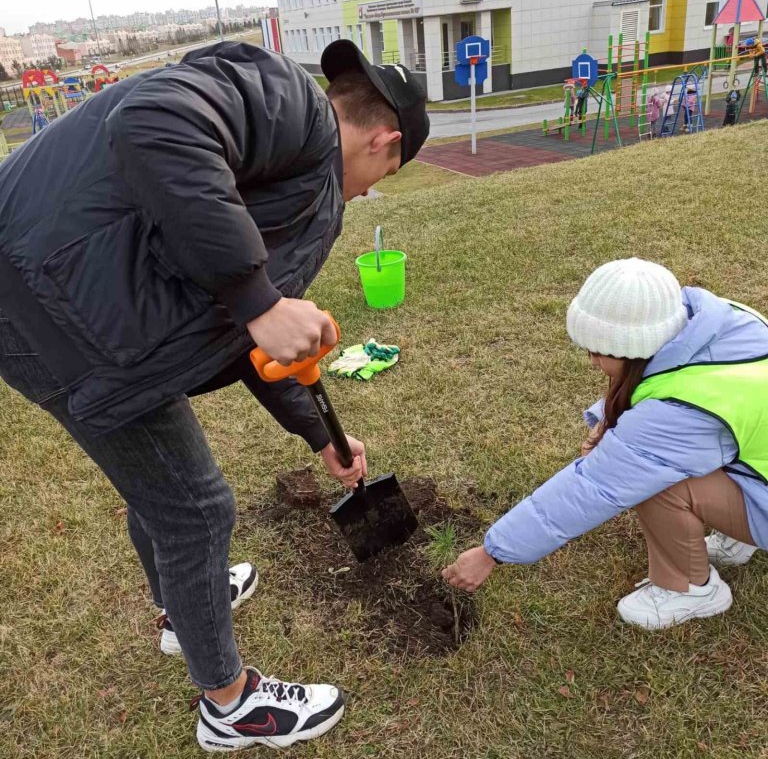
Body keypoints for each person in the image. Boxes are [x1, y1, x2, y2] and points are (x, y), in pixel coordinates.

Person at [0, 39, 429, 751]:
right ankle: (231, 708)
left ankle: (181, 608)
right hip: (53, 309)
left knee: (166, 496)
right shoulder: (294, 105)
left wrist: (318, 431)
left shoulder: (292, 178)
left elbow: (238, 332)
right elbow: (153, 121)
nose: (366, 192)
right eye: (383, 176)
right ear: (385, 142)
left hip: (88, 319)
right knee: (195, 509)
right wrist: (259, 297)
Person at [444, 258, 768, 630]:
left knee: (656, 483)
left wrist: (492, 552)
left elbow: (593, 487)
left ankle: (691, 589)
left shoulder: (682, 414)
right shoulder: (723, 324)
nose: (592, 361)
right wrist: (609, 422)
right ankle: (738, 533)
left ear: (634, 347)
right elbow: (675, 381)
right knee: (703, 449)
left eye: (599, 351)